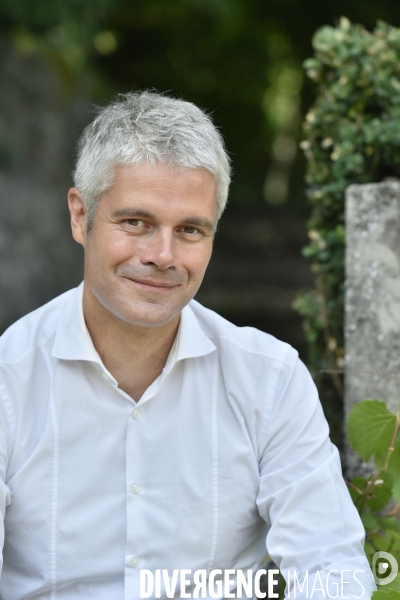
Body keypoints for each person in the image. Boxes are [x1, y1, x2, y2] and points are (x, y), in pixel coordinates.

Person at [0, 91, 374, 600]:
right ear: (79, 215)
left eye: (190, 230)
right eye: (136, 222)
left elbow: (331, 564)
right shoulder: (9, 378)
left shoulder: (270, 380)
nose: (163, 255)